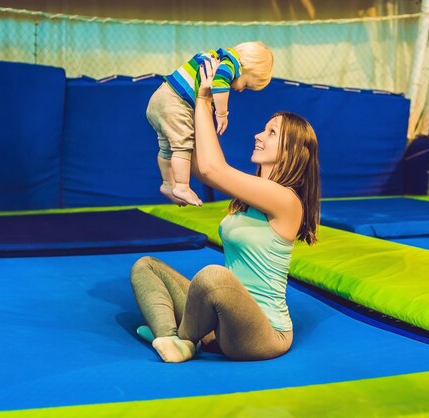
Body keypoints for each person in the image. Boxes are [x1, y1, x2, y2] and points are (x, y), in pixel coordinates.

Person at [131, 56, 320, 363]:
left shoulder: (287, 201)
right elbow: (202, 169)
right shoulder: (249, 199)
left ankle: (183, 338)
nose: (258, 135)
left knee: (212, 277)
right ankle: (172, 339)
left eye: (271, 133)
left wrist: (205, 100)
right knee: (146, 267)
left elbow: (212, 168)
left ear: (292, 151)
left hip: (264, 334)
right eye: (264, 130)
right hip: (223, 323)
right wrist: (174, 118)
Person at [146, 41, 274, 207]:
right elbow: (219, 85)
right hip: (175, 102)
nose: (241, 90)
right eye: (247, 84)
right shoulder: (229, 65)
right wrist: (221, 113)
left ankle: (168, 183)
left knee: (166, 147)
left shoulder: (216, 58)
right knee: (183, 146)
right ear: (247, 68)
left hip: (159, 98)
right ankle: (182, 186)